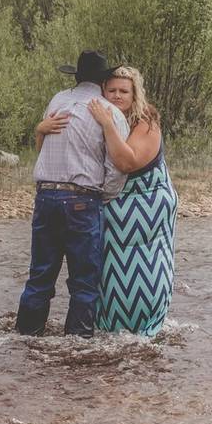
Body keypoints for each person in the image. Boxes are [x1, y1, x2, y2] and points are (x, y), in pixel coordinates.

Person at [15, 50, 130, 338]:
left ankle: (25, 337)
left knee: (39, 276)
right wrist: (102, 198)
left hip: (46, 196)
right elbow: (116, 168)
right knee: (84, 283)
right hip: (82, 200)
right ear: (104, 81)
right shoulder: (111, 113)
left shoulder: (57, 100)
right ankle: (77, 346)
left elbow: (45, 147)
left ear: (76, 77)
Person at [88, 66, 178, 337]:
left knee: (148, 275)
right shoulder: (101, 115)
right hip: (114, 209)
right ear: (103, 91)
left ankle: (146, 330)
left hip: (147, 208)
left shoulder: (146, 122)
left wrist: (106, 124)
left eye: (123, 91)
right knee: (108, 273)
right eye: (111, 90)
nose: (117, 96)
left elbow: (127, 161)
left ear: (134, 93)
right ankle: (109, 328)